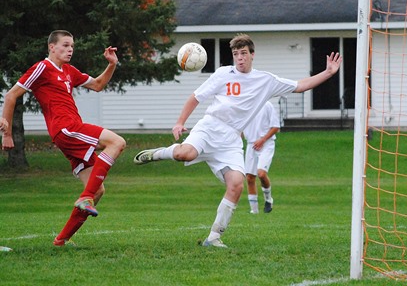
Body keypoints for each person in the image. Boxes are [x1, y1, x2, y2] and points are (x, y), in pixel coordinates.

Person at [134, 33, 341, 248]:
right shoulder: (223, 74)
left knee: (236, 185)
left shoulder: (266, 81)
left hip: (231, 139)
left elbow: (300, 85)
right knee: (183, 154)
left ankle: (214, 237)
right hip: (210, 126)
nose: (239, 58)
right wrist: (179, 122)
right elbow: (196, 97)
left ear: (252, 55)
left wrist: (327, 72)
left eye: (243, 53)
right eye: (235, 54)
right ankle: (157, 153)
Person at [1, 30, 126, 246]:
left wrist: (112, 64)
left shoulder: (69, 71)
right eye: (65, 45)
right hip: (66, 128)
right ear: (52, 47)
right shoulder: (42, 67)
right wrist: (8, 133)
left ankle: (61, 241)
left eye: (72, 46)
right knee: (117, 142)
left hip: (68, 132)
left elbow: (97, 85)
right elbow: (12, 95)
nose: (70, 50)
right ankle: (84, 198)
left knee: (98, 190)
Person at [243, 101, 280, 214]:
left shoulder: (267, 105)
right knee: (249, 178)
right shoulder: (244, 105)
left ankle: (268, 199)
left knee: (261, 174)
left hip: (266, 144)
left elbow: (275, 127)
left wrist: (262, 140)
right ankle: (254, 211)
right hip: (251, 144)